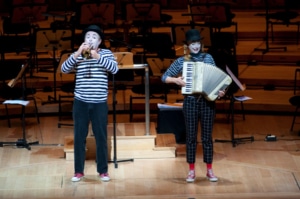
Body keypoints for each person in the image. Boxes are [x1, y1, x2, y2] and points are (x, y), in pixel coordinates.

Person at [161, 29, 225, 183]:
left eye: (197, 43)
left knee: (207, 138)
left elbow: (217, 79)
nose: (195, 46)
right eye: (192, 43)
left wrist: (220, 91)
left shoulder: (208, 58)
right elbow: (164, 77)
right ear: (187, 45)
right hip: (190, 101)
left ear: (201, 44)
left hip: (208, 101)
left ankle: (209, 169)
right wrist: (177, 81)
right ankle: (191, 171)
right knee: (190, 137)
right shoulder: (182, 61)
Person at [61, 24, 119, 182]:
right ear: (84, 40)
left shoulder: (106, 53)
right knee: (79, 137)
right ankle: (78, 171)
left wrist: (96, 56)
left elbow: (114, 69)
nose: (90, 39)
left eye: (94, 37)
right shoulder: (79, 54)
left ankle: (103, 171)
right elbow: (64, 69)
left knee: (101, 137)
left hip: (99, 102)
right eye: (88, 37)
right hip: (81, 101)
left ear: (99, 41)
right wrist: (78, 53)